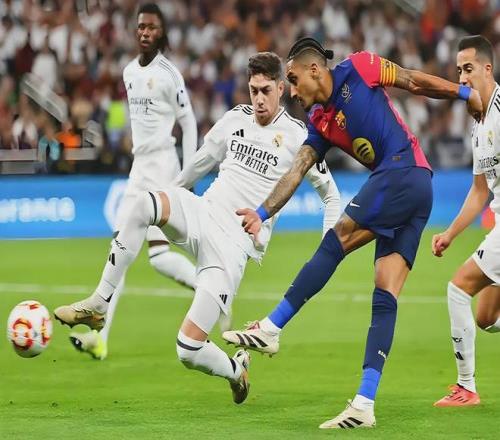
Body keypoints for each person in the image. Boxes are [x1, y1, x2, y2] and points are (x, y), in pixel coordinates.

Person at [222, 37, 484, 428]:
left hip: (403, 171)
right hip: (416, 191)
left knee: (337, 240)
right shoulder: (320, 121)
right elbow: (296, 170)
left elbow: (413, 81)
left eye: (292, 80)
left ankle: (272, 327)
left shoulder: (360, 67)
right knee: (385, 293)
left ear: (314, 70)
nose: (291, 91)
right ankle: (364, 404)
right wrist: (261, 213)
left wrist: (465, 93)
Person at [54, 51, 341, 404]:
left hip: (232, 248)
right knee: (143, 204)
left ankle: (236, 371)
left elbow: (331, 196)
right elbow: (201, 162)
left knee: (187, 349)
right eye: (253, 90)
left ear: (281, 88)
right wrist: (172, 194)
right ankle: (100, 303)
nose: (259, 99)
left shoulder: (298, 136)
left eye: (266, 90)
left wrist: (328, 250)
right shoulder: (235, 118)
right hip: (204, 211)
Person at [68, 3, 197, 360]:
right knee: (121, 252)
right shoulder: (128, 72)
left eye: (152, 27)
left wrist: (188, 175)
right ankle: (99, 339)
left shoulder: (169, 73)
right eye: (141, 26)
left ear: (161, 32)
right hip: (139, 170)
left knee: (161, 255)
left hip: (165, 168)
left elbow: (188, 123)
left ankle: (212, 291)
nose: (145, 32)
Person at [432, 35, 500, 407]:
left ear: (488, 69)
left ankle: (466, 387)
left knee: (457, 289)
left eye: (469, 69)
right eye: (459, 70)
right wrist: (450, 234)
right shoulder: (479, 125)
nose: (462, 78)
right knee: (487, 318)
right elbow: (479, 191)